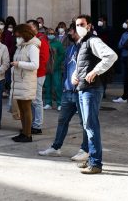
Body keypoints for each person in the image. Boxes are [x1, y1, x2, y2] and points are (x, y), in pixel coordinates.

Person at [72, 14, 117, 174]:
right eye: (77, 25)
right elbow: (81, 64)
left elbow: (111, 56)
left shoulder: (93, 41)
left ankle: (96, 163)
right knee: (87, 125)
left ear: (89, 26)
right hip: (83, 88)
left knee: (91, 126)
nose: (79, 27)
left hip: (92, 89)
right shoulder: (82, 42)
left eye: (82, 24)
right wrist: (75, 75)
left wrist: (95, 71)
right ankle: (91, 158)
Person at [39, 23, 90, 161]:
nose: (69, 33)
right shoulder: (70, 48)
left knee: (85, 123)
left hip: (81, 91)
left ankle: (85, 150)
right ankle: (56, 147)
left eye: (71, 31)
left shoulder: (87, 47)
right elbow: (67, 68)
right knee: (62, 120)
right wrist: (65, 85)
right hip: (68, 91)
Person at [10, 23, 40, 142]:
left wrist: (19, 64)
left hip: (26, 81)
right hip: (19, 81)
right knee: (21, 109)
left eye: (18, 36)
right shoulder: (21, 46)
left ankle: (28, 135)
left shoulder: (32, 47)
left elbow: (35, 65)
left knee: (26, 108)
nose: (17, 38)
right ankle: (24, 132)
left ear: (25, 34)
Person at [29, 19, 50, 134]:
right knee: (32, 101)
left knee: (37, 100)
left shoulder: (41, 40)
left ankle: (37, 125)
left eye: (30, 27)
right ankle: (32, 123)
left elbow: (43, 59)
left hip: (38, 74)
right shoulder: (31, 40)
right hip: (32, 74)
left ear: (35, 28)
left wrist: (34, 69)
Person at [113, 18, 128, 103]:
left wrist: (125, 44)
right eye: (126, 22)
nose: (126, 24)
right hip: (124, 57)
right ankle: (126, 96)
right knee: (125, 77)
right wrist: (126, 44)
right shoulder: (124, 34)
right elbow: (119, 45)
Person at [45, 26, 66, 110]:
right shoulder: (44, 43)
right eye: (49, 33)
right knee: (47, 86)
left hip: (56, 68)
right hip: (46, 68)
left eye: (52, 33)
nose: (50, 35)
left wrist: (56, 63)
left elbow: (62, 54)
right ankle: (48, 103)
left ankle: (59, 103)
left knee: (57, 86)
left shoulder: (58, 43)